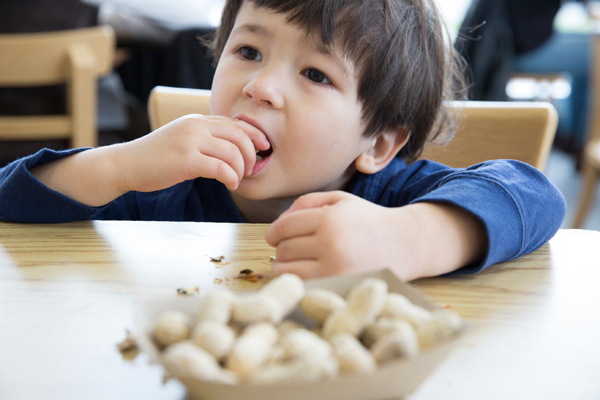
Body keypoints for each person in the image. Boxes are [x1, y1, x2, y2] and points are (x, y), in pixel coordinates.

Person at [0, 0, 566, 282]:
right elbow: (9, 198)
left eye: (316, 75)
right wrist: (119, 165)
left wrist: (408, 240)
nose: (261, 86)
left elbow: (536, 196)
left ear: (376, 144)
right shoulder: (160, 191)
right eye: (248, 52)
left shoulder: (391, 200)